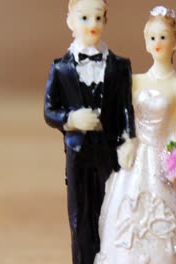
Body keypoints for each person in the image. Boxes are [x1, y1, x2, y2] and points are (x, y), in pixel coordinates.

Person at [94, 6, 176, 264]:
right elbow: (120, 114)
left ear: (175, 42)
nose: (157, 43)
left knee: (161, 213)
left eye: (163, 37)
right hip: (135, 155)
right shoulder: (135, 80)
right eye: (152, 37)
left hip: (159, 156)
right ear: (146, 42)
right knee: (126, 207)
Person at [43, 0, 136, 263]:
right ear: (70, 22)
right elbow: (49, 111)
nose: (92, 24)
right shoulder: (60, 69)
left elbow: (126, 108)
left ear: (105, 21)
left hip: (111, 154)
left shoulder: (120, 67)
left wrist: (130, 140)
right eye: (84, 18)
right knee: (80, 216)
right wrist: (70, 118)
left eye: (98, 18)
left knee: (112, 212)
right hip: (78, 155)